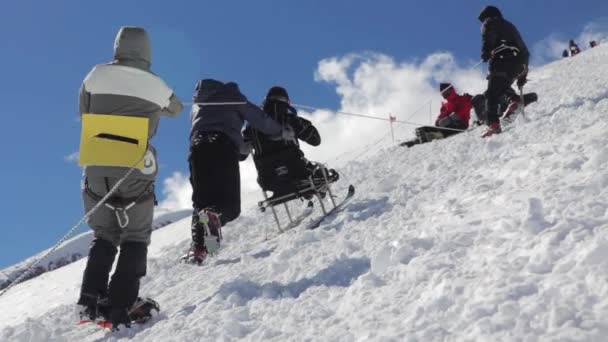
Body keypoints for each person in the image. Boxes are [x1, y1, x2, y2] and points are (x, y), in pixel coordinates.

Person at [76, 27, 183, 330]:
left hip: (96, 168)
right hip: (135, 168)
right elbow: (175, 109)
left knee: (104, 236)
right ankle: (119, 306)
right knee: (135, 237)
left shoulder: (94, 75)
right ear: (146, 51)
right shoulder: (155, 84)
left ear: (117, 47)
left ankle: (89, 300)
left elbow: (84, 111)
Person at [183, 80, 294, 265]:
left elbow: (213, 126)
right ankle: (214, 219)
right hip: (222, 147)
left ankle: (199, 249)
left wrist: (242, 148)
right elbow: (260, 119)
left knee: (201, 202)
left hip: (197, 150)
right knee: (230, 207)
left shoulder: (197, 105)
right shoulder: (231, 95)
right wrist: (281, 132)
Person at [243, 86, 338, 198]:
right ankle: (315, 188)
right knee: (318, 171)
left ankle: (303, 189)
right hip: (298, 172)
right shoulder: (291, 120)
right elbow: (316, 140)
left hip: (268, 179)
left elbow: (240, 155)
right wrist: (301, 124)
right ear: (287, 102)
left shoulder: (252, 128)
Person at [477, 5, 529, 137]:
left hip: (502, 59)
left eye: (482, 19)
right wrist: (523, 72)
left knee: (491, 94)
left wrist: (486, 52)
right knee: (500, 86)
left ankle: (493, 125)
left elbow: (488, 37)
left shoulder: (490, 22)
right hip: (518, 62)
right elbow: (524, 49)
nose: (482, 22)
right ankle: (515, 101)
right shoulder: (510, 26)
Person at [400, 83, 471, 148]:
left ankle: (433, 136)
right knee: (423, 129)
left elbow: (465, 110)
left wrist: (451, 118)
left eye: (445, 93)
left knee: (441, 129)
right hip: (447, 125)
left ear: (450, 90)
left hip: (460, 125)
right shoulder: (446, 105)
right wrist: (439, 119)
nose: (444, 96)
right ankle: (420, 139)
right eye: (442, 94)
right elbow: (443, 114)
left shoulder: (461, 99)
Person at [471, 90, 538, 125]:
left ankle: (515, 103)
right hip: (498, 107)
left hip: (496, 108)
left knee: (496, 94)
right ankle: (517, 102)